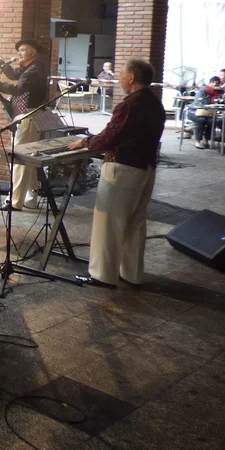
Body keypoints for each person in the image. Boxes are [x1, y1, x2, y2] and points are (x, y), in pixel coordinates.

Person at [68, 59, 165, 288]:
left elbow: (110, 137)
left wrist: (85, 141)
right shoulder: (155, 103)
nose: (119, 78)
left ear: (131, 77)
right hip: (146, 167)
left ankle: (102, 275)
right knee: (135, 222)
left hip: (122, 168)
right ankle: (131, 274)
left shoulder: (129, 105)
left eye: (122, 74)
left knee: (109, 223)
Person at [0, 40, 49, 212]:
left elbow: (17, 89)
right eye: (18, 50)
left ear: (33, 52)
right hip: (27, 117)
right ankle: (30, 199)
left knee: (18, 159)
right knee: (29, 159)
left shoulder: (34, 70)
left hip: (28, 117)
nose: (19, 53)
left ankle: (14, 201)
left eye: (23, 50)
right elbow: (13, 74)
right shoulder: (30, 68)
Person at [187, 76, 223, 149]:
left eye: (217, 84)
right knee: (201, 120)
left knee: (212, 121)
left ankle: (206, 140)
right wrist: (210, 106)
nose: (215, 85)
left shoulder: (219, 93)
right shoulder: (202, 91)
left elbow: (222, 102)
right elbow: (198, 103)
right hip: (196, 112)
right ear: (210, 83)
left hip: (209, 113)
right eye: (213, 83)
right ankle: (197, 141)